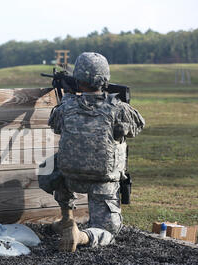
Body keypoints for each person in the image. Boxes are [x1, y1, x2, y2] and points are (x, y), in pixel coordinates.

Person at [45, 52, 145, 252]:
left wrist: (71, 97)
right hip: (103, 183)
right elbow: (137, 127)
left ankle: (67, 218)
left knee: (53, 163)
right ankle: (81, 236)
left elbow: (55, 126)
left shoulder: (66, 106)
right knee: (107, 231)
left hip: (70, 179)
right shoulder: (119, 109)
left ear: (79, 79)